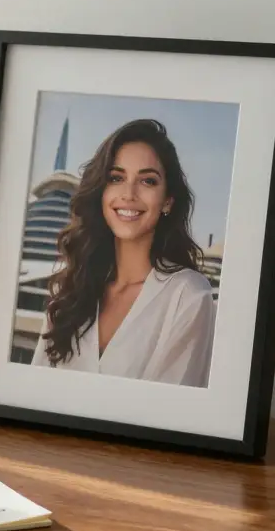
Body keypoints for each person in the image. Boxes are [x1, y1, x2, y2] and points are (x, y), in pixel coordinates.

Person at [32, 118, 216, 388]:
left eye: (148, 181)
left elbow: (168, 414)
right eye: (116, 178)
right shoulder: (70, 289)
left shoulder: (188, 295)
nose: (128, 194)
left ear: (167, 201)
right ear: (101, 193)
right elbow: (34, 388)